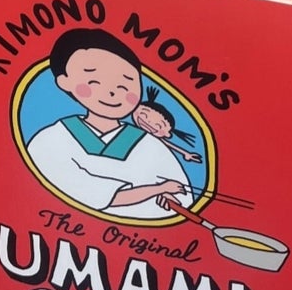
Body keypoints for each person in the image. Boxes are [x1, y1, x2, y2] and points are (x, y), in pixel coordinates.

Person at [24, 28, 192, 220]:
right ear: (64, 82)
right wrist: (156, 189)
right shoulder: (50, 139)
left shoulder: (151, 145)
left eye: (126, 84)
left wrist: (168, 200)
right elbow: (85, 192)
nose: (112, 92)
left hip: (139, 235)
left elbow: (183, 194)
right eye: (94, 80)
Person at [132, 85, 202, 164]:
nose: (148, 122)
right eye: (144, 114)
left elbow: (167, 144)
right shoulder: (130, 130)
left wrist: (186, 153)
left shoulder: (155, 141)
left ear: (167, 134)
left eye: (158, 125)